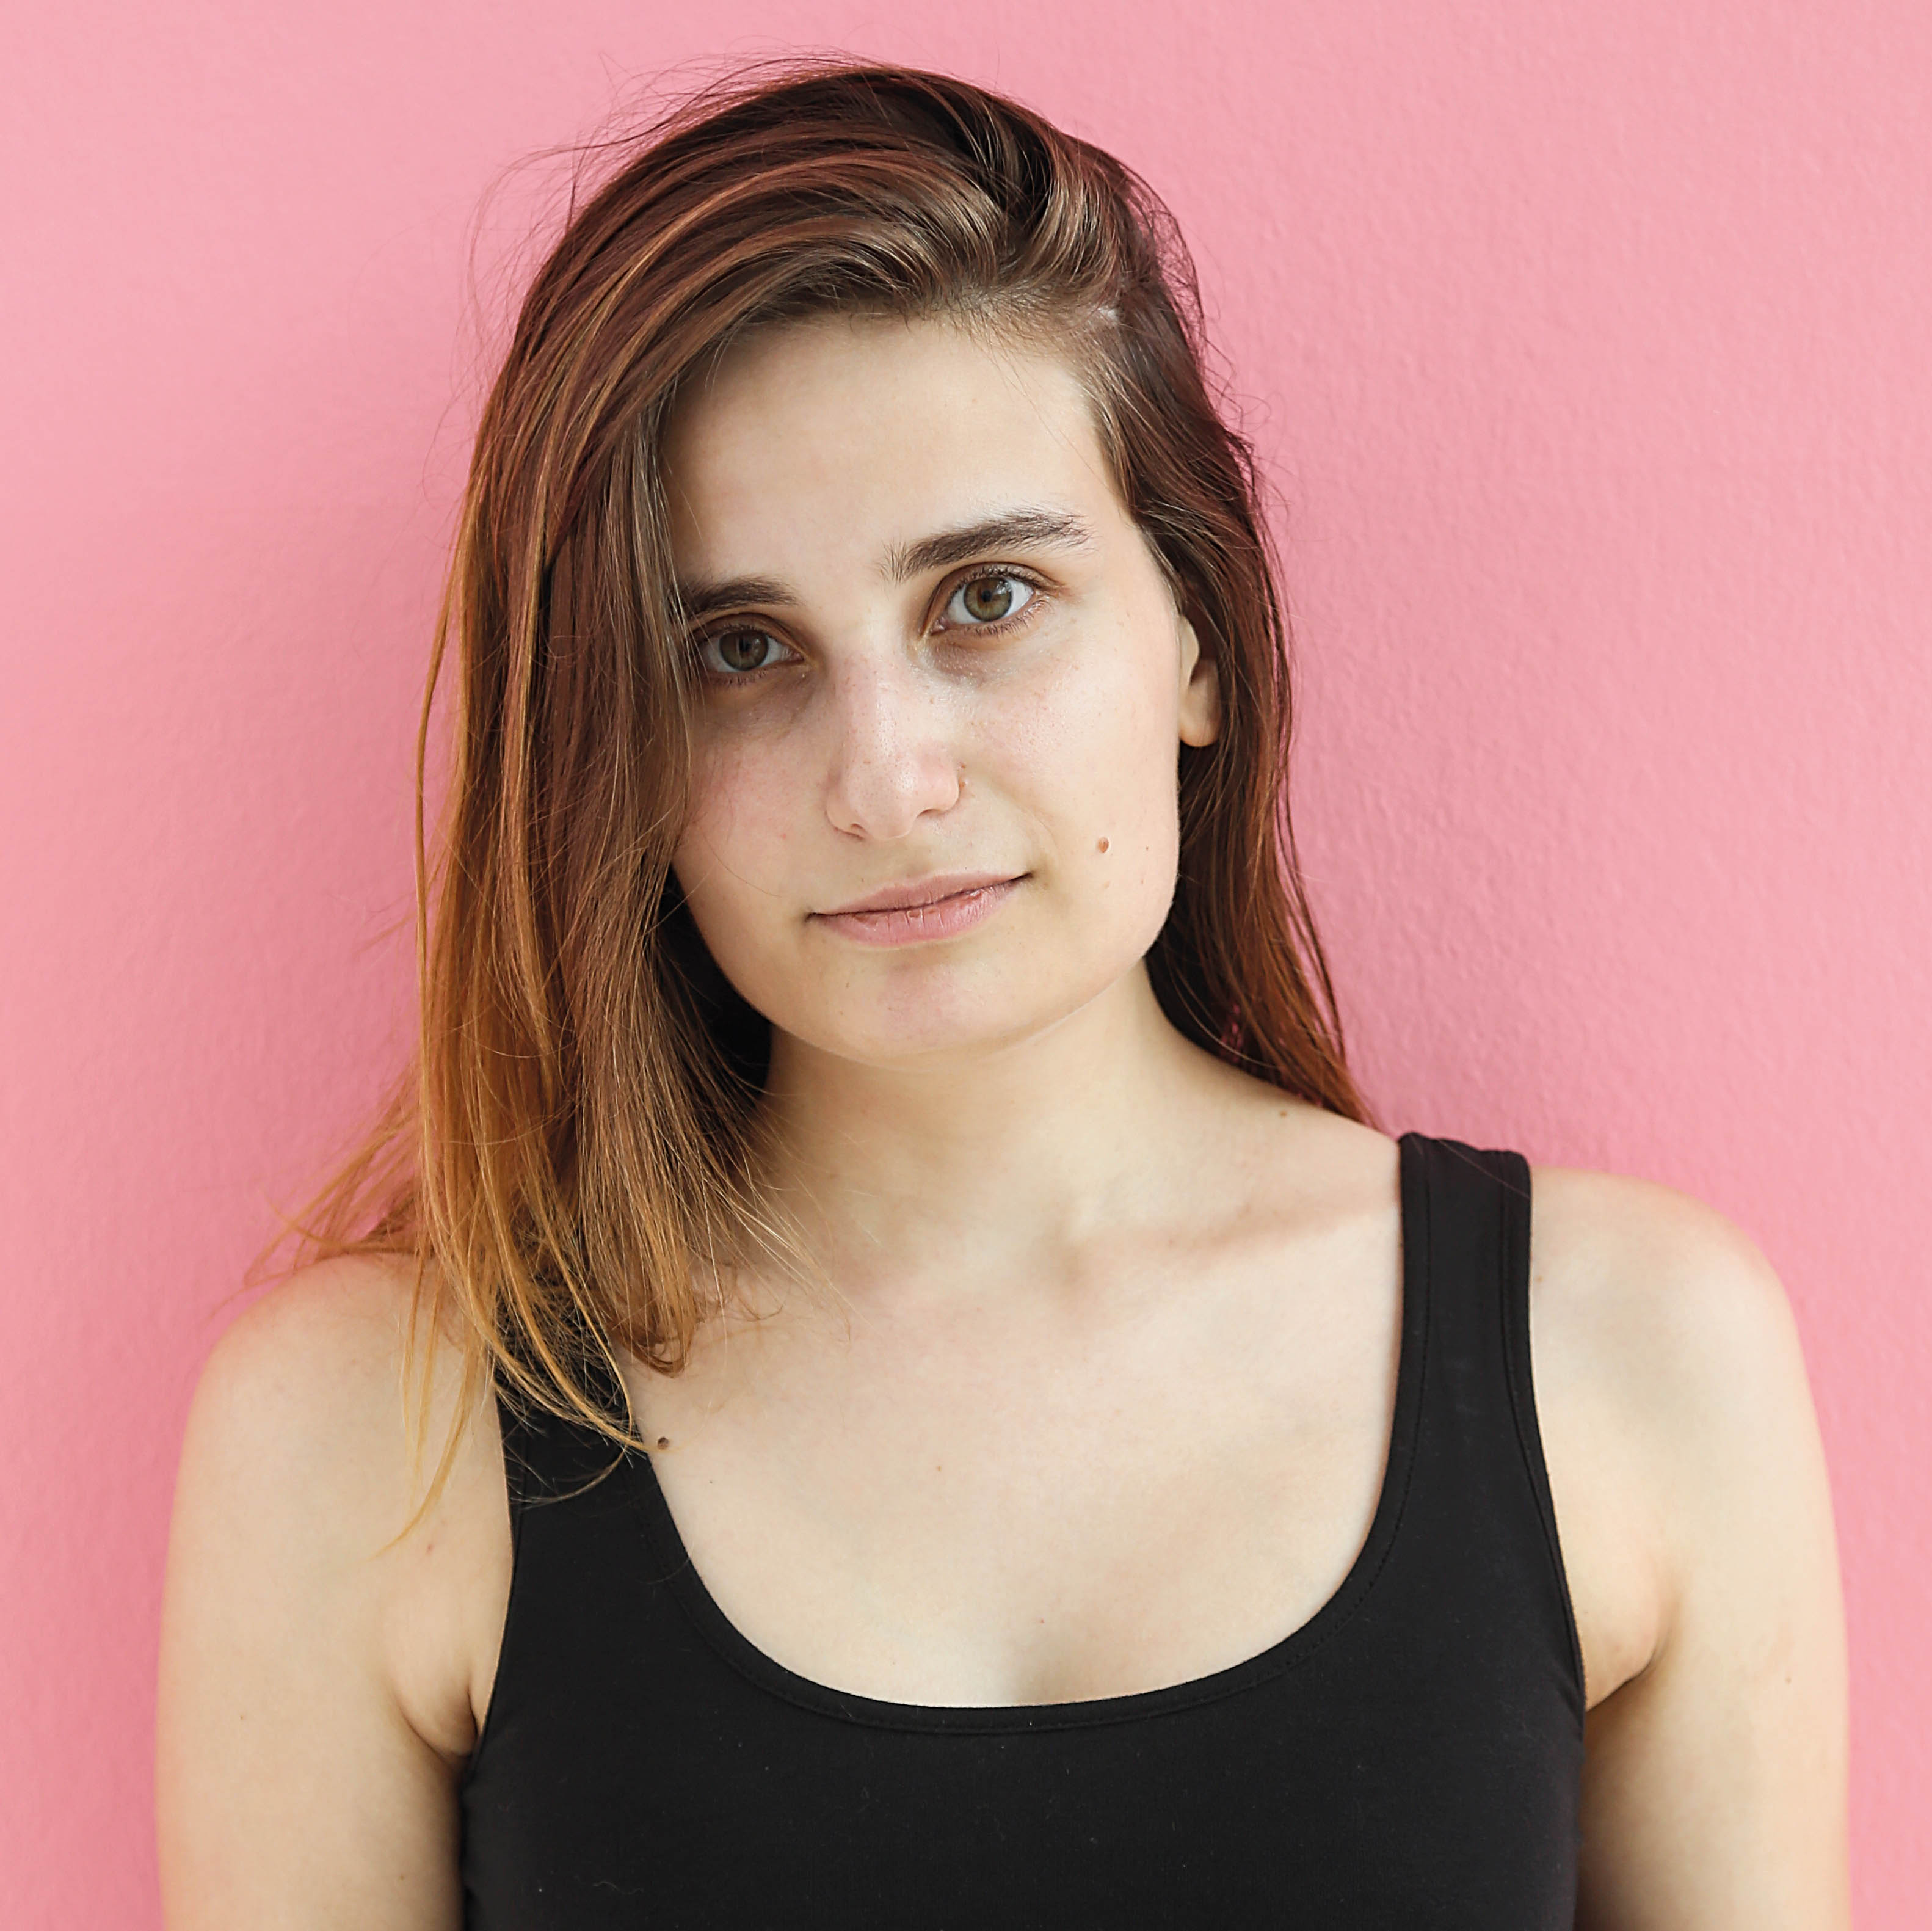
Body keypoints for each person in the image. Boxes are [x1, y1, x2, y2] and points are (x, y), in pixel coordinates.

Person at [155, 62, 1849, 1928]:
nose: (886, 782)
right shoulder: (366, 1438)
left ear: (1195, 636)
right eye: (736, 649)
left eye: (985, 599)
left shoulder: (1624, 1355)